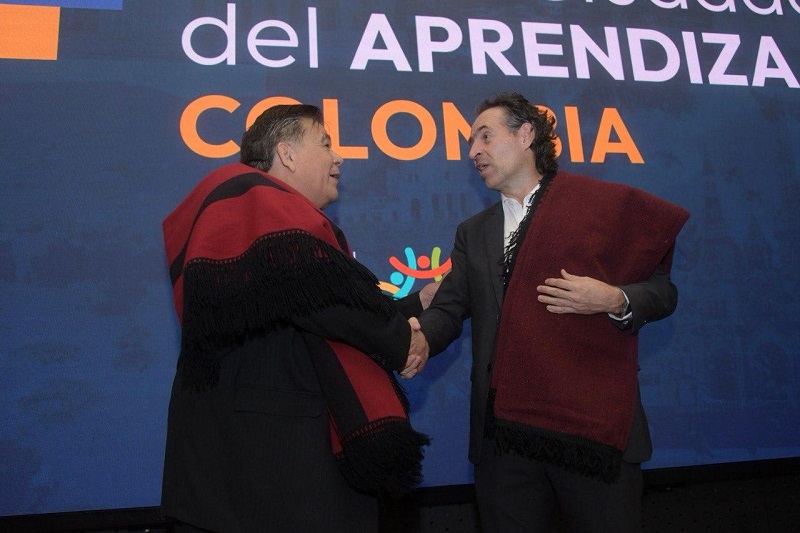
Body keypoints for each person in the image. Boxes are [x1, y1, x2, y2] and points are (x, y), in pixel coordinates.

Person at [407, 92, 689, 532]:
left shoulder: (593, 207)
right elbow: (449, 307)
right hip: (504, 440)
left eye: (485, 136)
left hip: (589, 431)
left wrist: (614, 299)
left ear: (525, 135)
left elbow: (662, 292)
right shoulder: (473, 232)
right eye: (469, 143)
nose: (473, 151)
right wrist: (421, 339)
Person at [160, 104, 433, 532]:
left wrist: (417, 306)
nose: (338, 157)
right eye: (325, 144)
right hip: (266, 473)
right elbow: (325, 301)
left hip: (254, 473)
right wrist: (402, 340)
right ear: (286, 154)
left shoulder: (260, 221)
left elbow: (317, 306)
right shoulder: (252, 201)